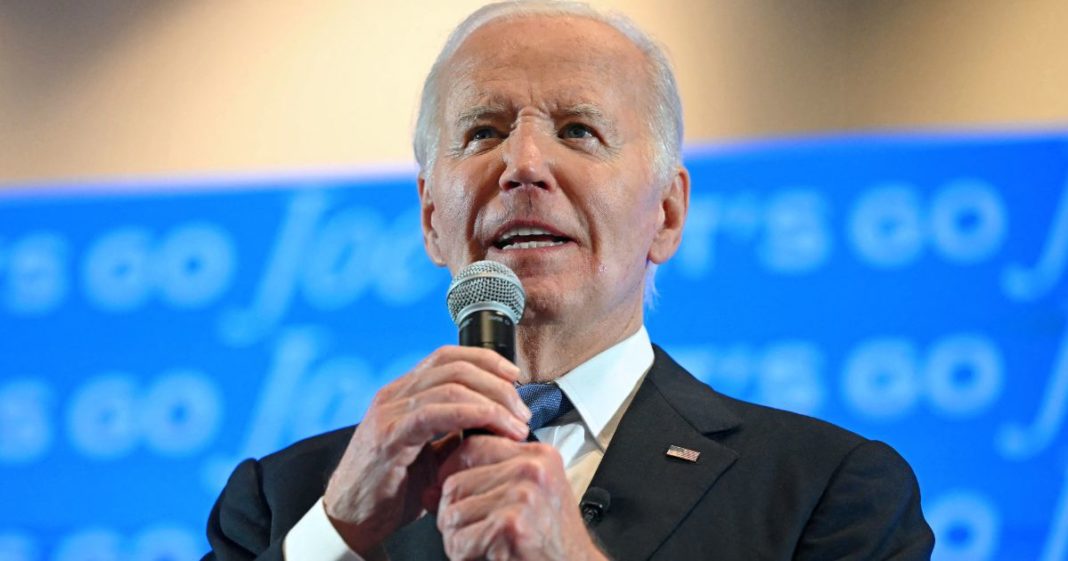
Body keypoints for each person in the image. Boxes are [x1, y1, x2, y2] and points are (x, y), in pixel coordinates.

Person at [203, 2, 935, 560]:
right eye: (483, 131)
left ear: (668, 214)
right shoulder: (289, 500)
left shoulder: (826, 491)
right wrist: (336, 533)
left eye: (578, 130)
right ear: (431, 218)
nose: (522, 164)